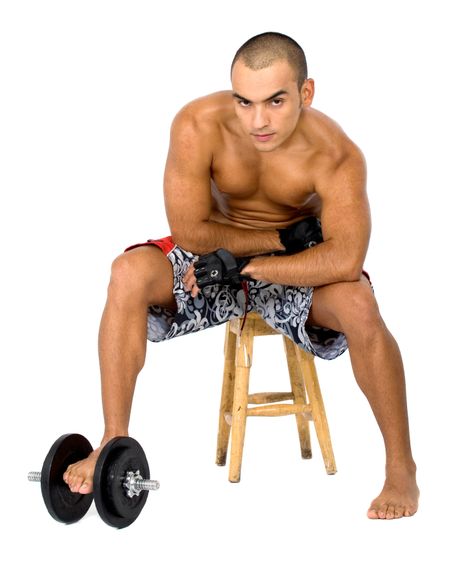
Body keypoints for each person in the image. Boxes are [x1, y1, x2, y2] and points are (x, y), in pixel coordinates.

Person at [63, 31, 419, 520]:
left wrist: (255, 265)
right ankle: (112, 440)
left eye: (275, 101)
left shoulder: (337, 155)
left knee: (360, 305)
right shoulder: (197, 124)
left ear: (306, 93)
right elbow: (188, 229)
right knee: (126, 272)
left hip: (292, 270)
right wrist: (266, 243)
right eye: (244, 102)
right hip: (212, 259)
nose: (258, 121)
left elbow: (344, 260)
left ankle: (401, 470)